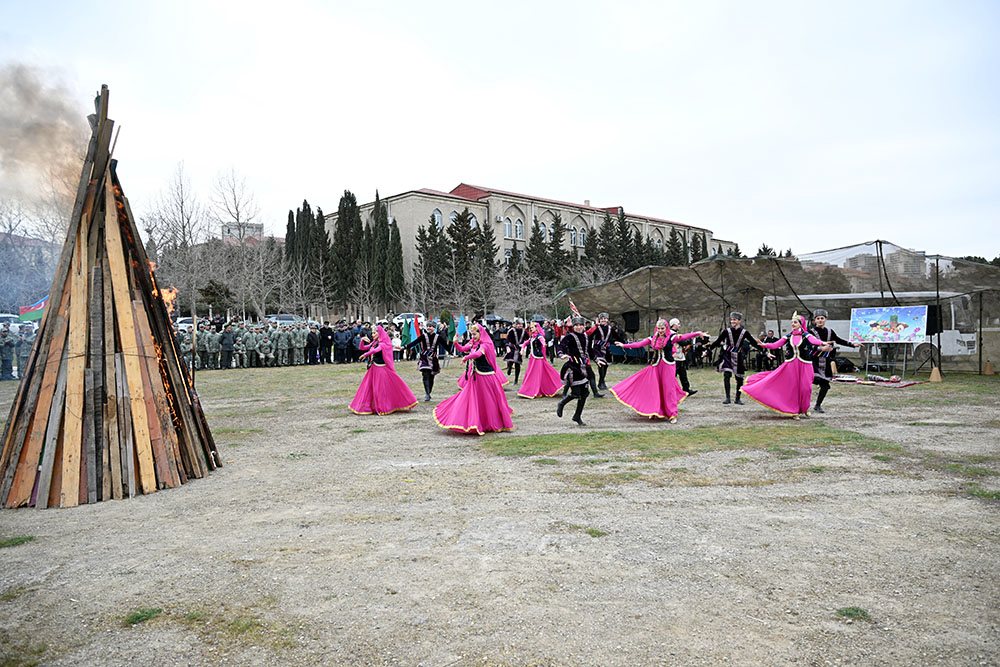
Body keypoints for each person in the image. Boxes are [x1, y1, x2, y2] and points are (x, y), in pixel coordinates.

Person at [611, 319, 705, 423]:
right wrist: (624, 345)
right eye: (659, 328)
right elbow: (639, 344)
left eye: (662, 328)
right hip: (656, 366)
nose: (660, 331)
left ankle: (672, 414)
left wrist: (698, 333)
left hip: (668, 366)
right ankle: (654, 410)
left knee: (669, 390)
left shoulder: (671, 337)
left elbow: (684, 337)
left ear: (666, 328)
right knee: (654, 389)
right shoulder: (653, 338)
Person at [742, 313, 831, 419]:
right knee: (793, 388)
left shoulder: (806, 335)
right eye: (792, 322)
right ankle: (794, 411)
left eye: (795, 322)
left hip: (805, 365)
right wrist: (765, 345)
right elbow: (777, 344)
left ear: (801, 324)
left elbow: (814, 341)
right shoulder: (789, 336)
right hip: (791, 365)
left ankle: (804, 408)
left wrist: (822, 343)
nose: (793, 324)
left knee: (806, 388)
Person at [433, 323, 514, 435]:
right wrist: (455, 342)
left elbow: (478, 354)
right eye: (471, 334)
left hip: (486, 376)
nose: (473, 336)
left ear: (480, 333)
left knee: (488, 400)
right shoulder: (473, 343)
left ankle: (489, 422)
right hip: (476, 376)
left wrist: (466, 357)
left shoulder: (486, 344)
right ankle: (473, 421)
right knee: (473, 399)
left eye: (475, 334)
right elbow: (462, 348)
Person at [349, 325, 417, 415]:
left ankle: (383, 407)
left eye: (374, 333)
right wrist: (362, 341)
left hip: (381, 369)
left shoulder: (383, 343)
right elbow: (362, 348)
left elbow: (376, 350)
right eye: (372, 333)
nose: (373, 335)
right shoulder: (374, 342)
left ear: (379, 333)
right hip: (373, 368)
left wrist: (366, 354)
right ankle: (368, 406)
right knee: (368, 388)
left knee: (380, 389)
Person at [705, 312, 766, 405]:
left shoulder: (744, 332)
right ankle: (727, 398)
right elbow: (717, 341)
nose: (732, 321)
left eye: (734, 319)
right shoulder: (727, 331)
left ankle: (737, 398)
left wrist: (764, 352)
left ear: (739, 321)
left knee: (739, 378)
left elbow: (753, 343)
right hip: (728, 355)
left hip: (738, 356)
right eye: (731, 319)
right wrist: (708, 351)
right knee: (727, 375)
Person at [809, 308, 859, 413]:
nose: (820, 320)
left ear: (826, 319)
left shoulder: (829, 331)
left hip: (826, 362)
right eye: (818, 318)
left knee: (825, 385)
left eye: (822, 318)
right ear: (814, 320)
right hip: (814, 362)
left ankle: (818, 405)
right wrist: (820, 348)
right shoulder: (811, 332)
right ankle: (801, 403)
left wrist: (852, 344)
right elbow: (808, 346)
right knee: (809, 382)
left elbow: (839, 340)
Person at [555, 316, 593, 426]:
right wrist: (561, 354)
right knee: (576, 393)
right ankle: (562, 403)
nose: (579, 327)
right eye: (576, 325)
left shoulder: (586, 337)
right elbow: (560, 346)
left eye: (581, 325)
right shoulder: (569, 337)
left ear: (584, 326)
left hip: (584, 367)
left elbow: (590, 350)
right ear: (573, 326)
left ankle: (577, 416)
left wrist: (597, 359)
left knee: (585, 393)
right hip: (573, 367)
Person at [517, 322, 562, 399]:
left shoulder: (539, 336)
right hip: (533, 358)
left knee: (536, 374)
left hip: (538, 358)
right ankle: (532, 389)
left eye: (532, 327)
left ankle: (538, 389)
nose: (531, 329)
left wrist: (544, 344)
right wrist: (522, 349)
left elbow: (542, 341)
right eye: (530, 328)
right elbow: (525, 343)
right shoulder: (532, 337)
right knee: (531, 373)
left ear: (537, 328)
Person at [405, 320, 444, 402]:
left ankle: (429, 391)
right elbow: (415, 342)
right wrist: (405, 347)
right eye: (428, 326)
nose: (429, 328)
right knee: (425, 375)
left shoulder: (438, 337)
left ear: (434, 328)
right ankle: (427, 394)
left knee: (431, 377)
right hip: (424, 359)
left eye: (431, 326)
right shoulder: (423, 336)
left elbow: (445, 345)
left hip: (433, 359)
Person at [587, 312, 626, 391]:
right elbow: (590, 336)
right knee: (601, 364)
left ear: (607, 320)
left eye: (605, 319)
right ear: (599, 320)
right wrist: (588, 347)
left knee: (606, 366)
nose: (603, 320)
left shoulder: (610, 328)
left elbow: (616, 336)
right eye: (601, 319)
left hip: (607, 349)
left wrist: (625, 342)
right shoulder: (597, 328)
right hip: (597, 348)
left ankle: (602, 381)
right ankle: (601, 382)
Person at [668, 318, 697, 396]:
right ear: (674, 324)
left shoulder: (674, 334)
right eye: (678, 324)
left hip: (679, 357)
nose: (679, 325)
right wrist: (690, 338)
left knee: (683, 374)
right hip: (675, 358)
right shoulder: (672, 334)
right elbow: (683, 342)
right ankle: (670, 391)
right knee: (674, 376)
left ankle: (686, 389)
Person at [504, 318, 529, 385]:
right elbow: (507, 340)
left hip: (519, 349)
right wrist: (507, 347)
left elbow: (529, 340)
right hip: (512, 348)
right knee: (511, 361)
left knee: (517, 365)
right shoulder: (511, 331)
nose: (520, 325)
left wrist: (523, 346)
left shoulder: (524, 332)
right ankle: (509, 368)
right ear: (516, 324)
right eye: (519, 324)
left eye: (521, 324)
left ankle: (516, 380)